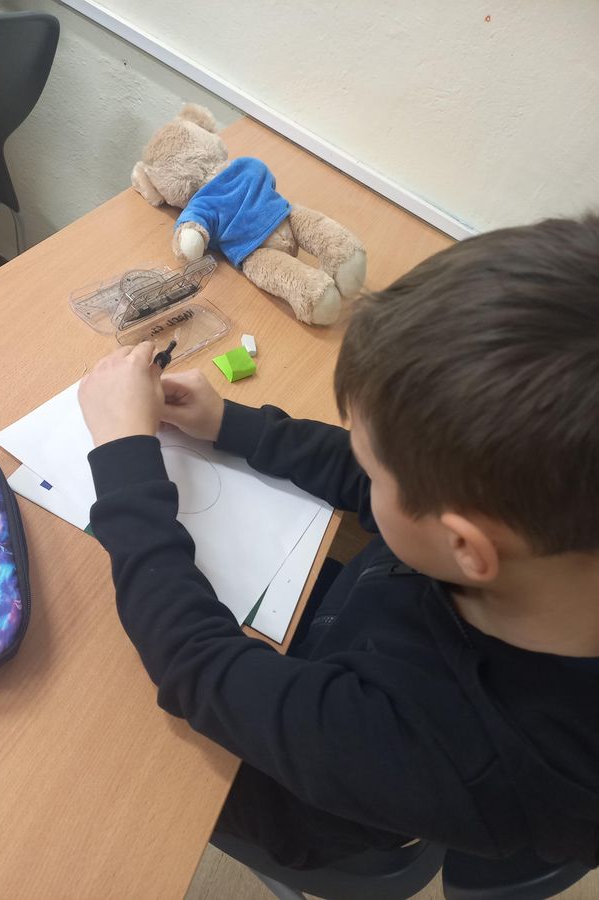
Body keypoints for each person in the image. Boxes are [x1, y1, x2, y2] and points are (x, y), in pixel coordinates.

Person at [78, 214, 599, 871]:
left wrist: (124, 458)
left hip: (277, 788)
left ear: (465, 546)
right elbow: (376, 477)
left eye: (375, 467)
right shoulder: (548, 554)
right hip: (345, 632)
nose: (362, 470)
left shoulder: (446, 750)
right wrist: (230, 424)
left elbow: (197, 668)